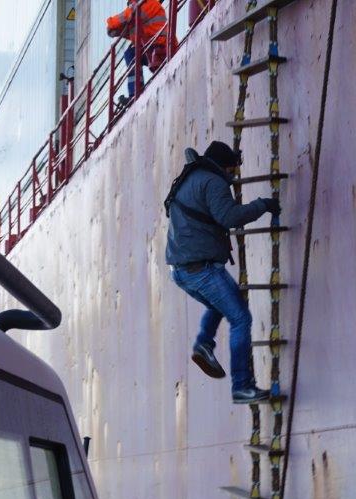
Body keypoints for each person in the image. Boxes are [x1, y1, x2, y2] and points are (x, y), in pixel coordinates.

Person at [165, 140, 281, 403]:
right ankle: (242, 386)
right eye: (232, 169)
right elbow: (229, 218)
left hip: (181, 270)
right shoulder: (213, 182)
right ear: (224, 165)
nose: (233, 175)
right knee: (240, 318)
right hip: (200, 268)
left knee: (221, 303)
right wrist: (264, 205)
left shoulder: (190, 178)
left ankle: (204, 344)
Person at [106, 0, 168, 101]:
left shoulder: (148, 4)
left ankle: (135, 92)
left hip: (162, 46)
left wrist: (111, 24)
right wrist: (113, 27)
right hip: (153, 47)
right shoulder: (135, 17)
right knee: (130, 52)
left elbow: (117, 21)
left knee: (131, 53)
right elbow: (113, 30)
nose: (130, 5)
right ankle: (135, 91)